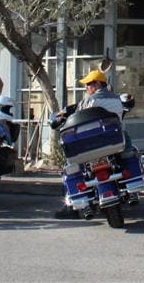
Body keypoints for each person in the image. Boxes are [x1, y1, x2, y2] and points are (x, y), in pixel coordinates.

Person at [53, 68, 127, 219]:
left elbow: (79, 118)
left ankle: (71, 207)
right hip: (114, 141)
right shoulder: (116, 99)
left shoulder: (90, 101)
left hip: (91, 144)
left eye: (89, 84)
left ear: (98, 84)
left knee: (70, 166)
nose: (86, 88)